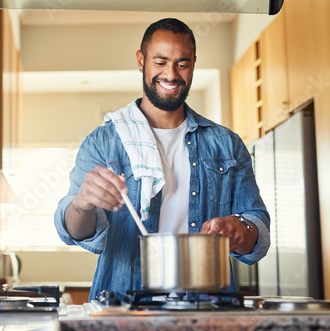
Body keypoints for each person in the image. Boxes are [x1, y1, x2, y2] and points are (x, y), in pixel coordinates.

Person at [54, 18, 270, 301]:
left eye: (182, 63)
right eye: (160, 61)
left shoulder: (226, 144)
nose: (171, 74)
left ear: (193, 63)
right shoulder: (104, 142)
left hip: (209, 311)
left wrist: (240, 229)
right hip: (123, 310)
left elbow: (259, 229)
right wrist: (82, 203)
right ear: (141, 61)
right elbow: (73, 232)